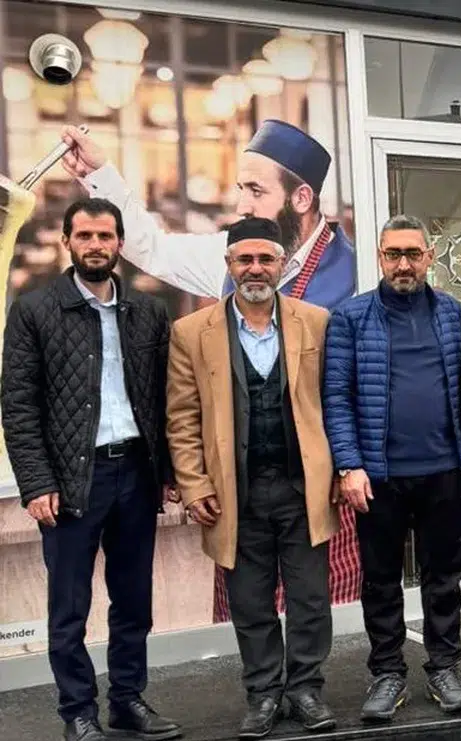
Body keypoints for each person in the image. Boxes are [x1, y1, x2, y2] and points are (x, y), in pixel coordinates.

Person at [61, 121, 360, 625]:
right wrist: (100, 173)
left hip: (316, 484)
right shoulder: (231, 255)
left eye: (256, 190)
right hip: (240, 483)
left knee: (320, 613)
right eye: (241, 188)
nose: (242, 204)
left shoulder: (354, 272)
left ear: (302, 198)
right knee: (250, 614)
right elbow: (153, 248)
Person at [1, 199, 179, 741]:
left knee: (134, 601)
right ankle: (78, 712)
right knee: (69, 607)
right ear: (67, 242)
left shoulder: (148, 311)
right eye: (85, 236)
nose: (96, 245)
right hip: (71, 480)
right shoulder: (34, 310)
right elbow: (18, 404)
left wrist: (170, 472)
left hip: (136, 474)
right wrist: (36, 483)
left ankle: (127, 701)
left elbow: (165, 399)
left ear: (120, 242)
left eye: (105, 235)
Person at [166, 217, 338, 738]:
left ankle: (305, 689)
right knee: (250, 601)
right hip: (233, 493)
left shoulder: (316, 322)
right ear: (229, 265)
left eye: (266, 259)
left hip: (301, 487)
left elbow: (335, 402)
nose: (255, 269)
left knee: (310, 598)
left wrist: (340, 468)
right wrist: (194, 484)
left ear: (282, 265)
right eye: (245, 259)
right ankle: (263, 694)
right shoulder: (191, 332)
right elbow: (182, 416)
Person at [323, 215, 461, 721]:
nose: (403, 264)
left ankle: (445, 667)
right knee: (381, 582)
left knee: (443, 578)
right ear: (380, 257)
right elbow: (336, 397)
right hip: (378, 477)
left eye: (412, 253)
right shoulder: (350, 318)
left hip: (444, 470)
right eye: (393, 254)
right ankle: (387, 673)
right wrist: (349, 464)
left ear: (429, 257)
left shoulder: (451, 313)